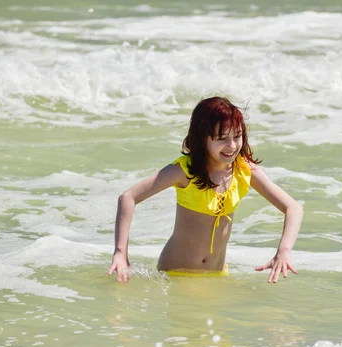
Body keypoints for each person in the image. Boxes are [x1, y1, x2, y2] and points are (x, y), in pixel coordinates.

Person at [108, 97, 303, 283]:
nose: (232, 145)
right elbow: (128, 197)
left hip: (216, 276)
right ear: (203, 139)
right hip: (175, 275)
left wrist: (284, 251)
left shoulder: (244, 171)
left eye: (237, 136)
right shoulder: (185, 171)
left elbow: (293, 208)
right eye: (222, 138)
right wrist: (120, 254)